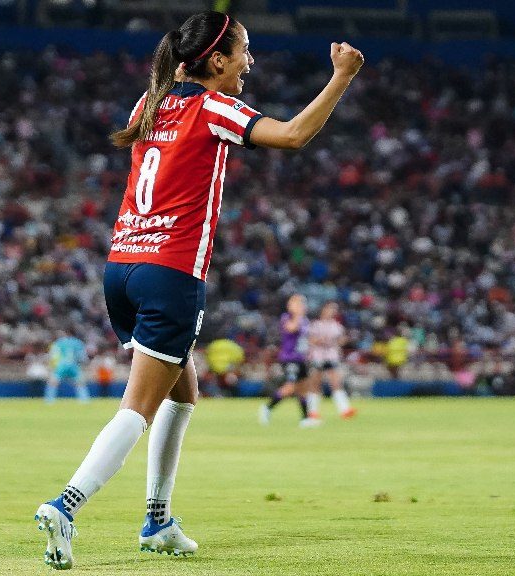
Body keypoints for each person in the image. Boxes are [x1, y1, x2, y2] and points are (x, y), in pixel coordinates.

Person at [34, 11, 363, 570]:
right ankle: (66, 505)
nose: (250, 62)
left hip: (122, 266)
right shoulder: (213, 105)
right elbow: (293, 135)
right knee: (137, 408)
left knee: (183, 395)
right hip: (170, 271)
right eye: (244, 52)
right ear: (216, 60)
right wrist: (342, 78)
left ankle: (158, 520)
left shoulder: (150, 103)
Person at [259, 294, 318, 427]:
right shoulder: (287, 318)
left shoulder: (305, 320)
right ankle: (267, 408)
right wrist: (298, 315)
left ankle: (305, 418)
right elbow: (292, 328)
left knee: (303, 388)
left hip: (301, 358)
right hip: (290, 358)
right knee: (290, 386)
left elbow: (307, 338)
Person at [306, 301, 357, 419]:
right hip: (318, 356)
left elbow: (341, 340)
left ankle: (345, 409)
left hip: (331, 356)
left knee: (336, 383)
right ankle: (312, 411)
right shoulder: (316, 325)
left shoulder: (337, 326)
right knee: (315, 384)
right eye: (330, 309)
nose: (332, 312)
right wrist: (322, 341)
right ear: (323, 310)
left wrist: (341, 341)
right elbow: (311, 340)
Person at [47, 331, 91, 403]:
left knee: (53, 383)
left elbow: (53, 355)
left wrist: (52, 365)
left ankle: (49, 401)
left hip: (61, 365)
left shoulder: (59, 342)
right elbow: (82, 357)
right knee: (80, 383)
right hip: (73, 365)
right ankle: (84, 401)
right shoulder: (78, 342)